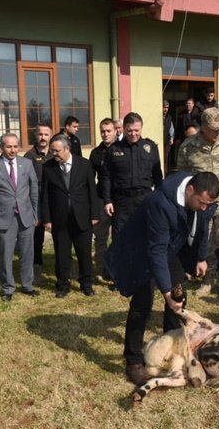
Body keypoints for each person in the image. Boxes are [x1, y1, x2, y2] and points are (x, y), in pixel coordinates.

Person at [107, 171, 219, 385]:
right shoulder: (159, 202)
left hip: (169, 247)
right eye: (202, 203)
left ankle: (170, 347)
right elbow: (156, 250)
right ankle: (133, 361)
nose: (204, 207)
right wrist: (165, 291)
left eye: (208, 204)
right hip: (143, 250)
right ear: (190, 190)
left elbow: (203, 227)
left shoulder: (202, 199)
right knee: (142, 304)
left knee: (179, 298)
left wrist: (201, 257)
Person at [177, 107, 219, 299]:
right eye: (213, 128)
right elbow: (183, 172)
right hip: (201, 204)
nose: (217, 131)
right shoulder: (189, 146)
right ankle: (208, 279)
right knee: (204, 243)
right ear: (203, 127)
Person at [0, 133, 39, 302]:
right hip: (4, 217)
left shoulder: (27, 164)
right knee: (6, 255)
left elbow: (33, 189)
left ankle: (27, 285)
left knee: (27, 253)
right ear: (1, 147)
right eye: (9, 146)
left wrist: (36, 213)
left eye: (15, 146)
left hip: (26, 216)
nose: (13, 150)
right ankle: (8, 288)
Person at [41, 135, 100, 297]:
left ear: (67, 149)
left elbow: (92, 192)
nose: (54, 153)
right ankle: (62, 285)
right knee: (61, 254)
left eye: (57, 150)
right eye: (52, 150)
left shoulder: (84, 165)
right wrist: (47, 219)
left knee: (84, 253)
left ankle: (86, 284)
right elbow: (45, 195)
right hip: (60, 220)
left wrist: (95, 214)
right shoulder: (48, 167)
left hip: (82, 218)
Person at [101, 112, 163, 235]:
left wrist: (160, 197)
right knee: (120, 238)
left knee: (145, 235)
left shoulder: (150, 147)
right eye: (129, 131)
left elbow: (157, 175)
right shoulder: (114, 149)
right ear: (123, 129)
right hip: (121, 201)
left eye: (136, 130)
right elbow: (106, 177)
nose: (133, 134)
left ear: (141, 128)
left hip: (144, 198)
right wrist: (107, 201)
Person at [25, 124, 55, 284]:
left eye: (46, 134)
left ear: (51, 135)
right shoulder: (29, 156)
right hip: (36, 202)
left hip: (54, 201)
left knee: (60, 234)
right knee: (37, 238)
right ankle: (36, 268)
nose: (43, 137)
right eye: (40, 134)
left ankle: (64, 266)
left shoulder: (55, 153)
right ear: (35, 136)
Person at [89, 118, 118, 283]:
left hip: (119, 198)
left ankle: (116, 268)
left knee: (118, 236)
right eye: (102, 131)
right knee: (100, 236)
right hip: (101, 198)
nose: (105, 134)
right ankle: (101, 268)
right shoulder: (96, 153)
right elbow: (91, 180)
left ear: (115, 131)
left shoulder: (122, 149)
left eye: (108, 131)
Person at [163, 100, 176, 172]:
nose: (166, 109)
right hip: (160, 140)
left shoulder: (169, 117)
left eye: (167, 108)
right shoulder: (159, 116)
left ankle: (165, 172)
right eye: (164, 107)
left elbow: (172, 128)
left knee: (166, 158)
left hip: (167, 141)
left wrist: (172, 138)